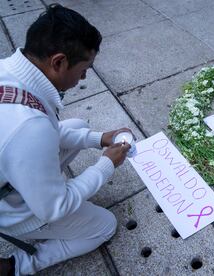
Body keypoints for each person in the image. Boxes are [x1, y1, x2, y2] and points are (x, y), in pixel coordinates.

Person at [0, 5, 132, 275]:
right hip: (9, 209)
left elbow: (45, 130)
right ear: (58, 62)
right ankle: (17, 266)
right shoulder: (28, 128)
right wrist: (105, 165)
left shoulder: (9, 72)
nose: (84, 77)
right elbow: (54, 207)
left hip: (13, 174)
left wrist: (98, 139)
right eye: (84, 69)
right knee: (105, 225)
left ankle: (43, 185)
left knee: (78, 127)